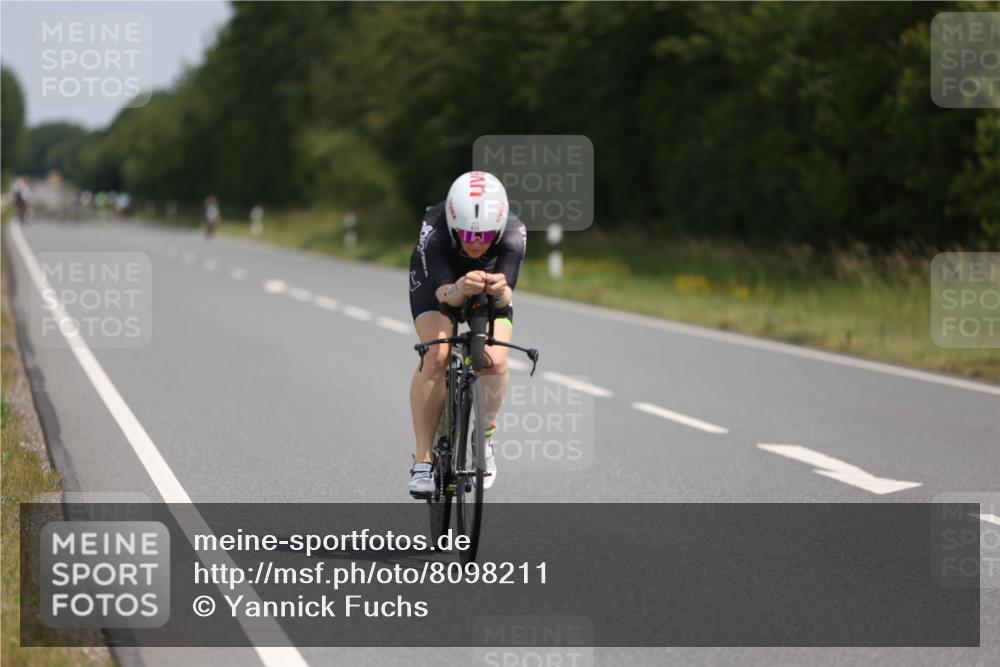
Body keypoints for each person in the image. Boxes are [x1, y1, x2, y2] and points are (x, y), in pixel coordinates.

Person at [408, 171, 526, 497]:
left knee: (494, 361)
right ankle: (423, 460)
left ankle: (484, 439)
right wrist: (459, 288)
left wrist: (499, 290)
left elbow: (505, 296)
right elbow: (444, 295)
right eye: (467, 235)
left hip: (488, 281)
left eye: (486, 235)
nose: (475, 242)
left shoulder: (514, 234)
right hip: (439, 279)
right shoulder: (434, 228)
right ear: (453, 223)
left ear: (499, 228)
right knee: (437, 353)